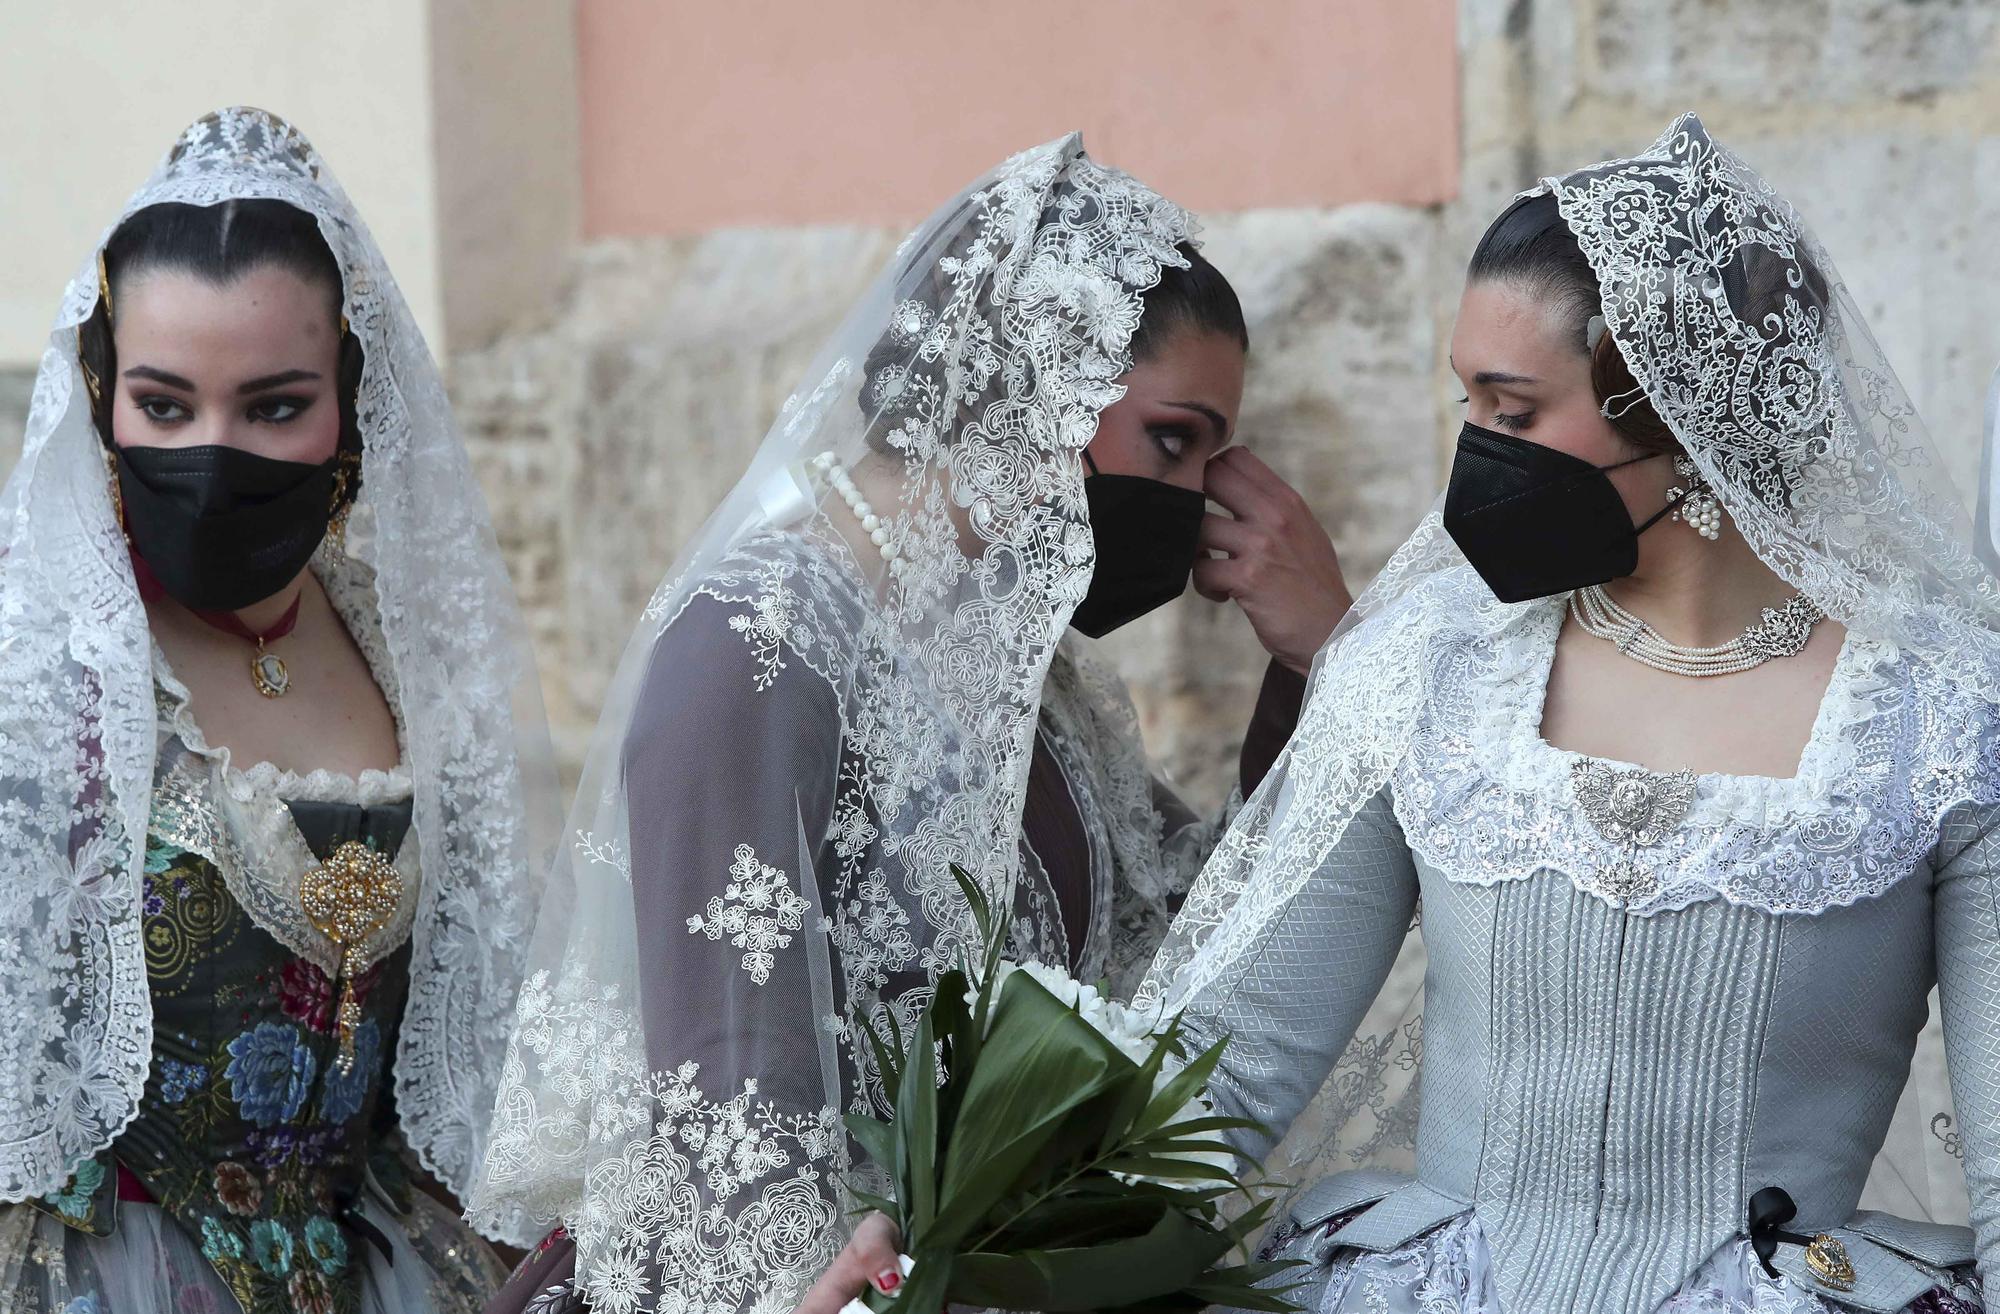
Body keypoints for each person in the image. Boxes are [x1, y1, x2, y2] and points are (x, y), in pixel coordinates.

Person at [817, 113, 2000, 1314]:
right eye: (1465, 403)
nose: (1474, 453)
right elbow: (1225, 1063)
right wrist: (952, 1251)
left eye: (1512, 410)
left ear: (1676, 412)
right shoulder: (1433, 672)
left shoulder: (1941, 718)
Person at [468, 134, 1354, 1314]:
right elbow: (730, 1117)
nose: (1195, 502)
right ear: (1036, 378)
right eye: (1174, 442)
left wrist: (1314, 662)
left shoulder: (1024, 674)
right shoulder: (758, 642)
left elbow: (1195, 957)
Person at [0, 107, 560, 1313]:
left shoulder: (404, 651)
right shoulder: (41, 678)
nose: (212, 453)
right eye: (163, 405)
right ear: (102, 398)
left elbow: (472, 1042)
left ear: (350, 410)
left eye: (270, 407)